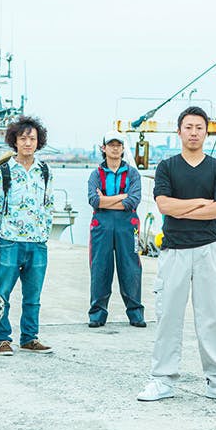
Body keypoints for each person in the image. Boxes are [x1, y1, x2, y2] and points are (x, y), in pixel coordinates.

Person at [137, 106, 216, 403]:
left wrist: (182, 208)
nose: (193, 132)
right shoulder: (167, 167)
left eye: (199, 127)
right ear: (179, 131)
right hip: (174, 252)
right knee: (168, 317)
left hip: (208, 250)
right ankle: (162, 380)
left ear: (206, 132)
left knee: (212, 317)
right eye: (188, 127)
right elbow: (164, 206)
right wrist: (201, 203)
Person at [0, 116, 54, 356]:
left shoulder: (45, 171)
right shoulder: (4, 171)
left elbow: (48, 205)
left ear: (38, 142)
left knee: (33, 296)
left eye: (32, 139)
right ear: (14, 141)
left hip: (37, 243)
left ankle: (29, 338)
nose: (27, 143)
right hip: (9, 241)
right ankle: (3, 339)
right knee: (1, 294)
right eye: (23, 138)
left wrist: (45, 234)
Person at [86, 130, 145, 328]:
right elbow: (94, 201)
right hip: (101, 226)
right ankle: (97, 314)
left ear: (122, 148)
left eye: (118, 145)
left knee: (131, 267)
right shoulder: (96, 174)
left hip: (127, 225)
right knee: (100, 268)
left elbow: (133, 201)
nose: (115, 148)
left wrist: (106, 200)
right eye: (111, 145)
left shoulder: (132, 174)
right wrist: (121, 197)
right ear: (104, 148)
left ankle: (135, 313)